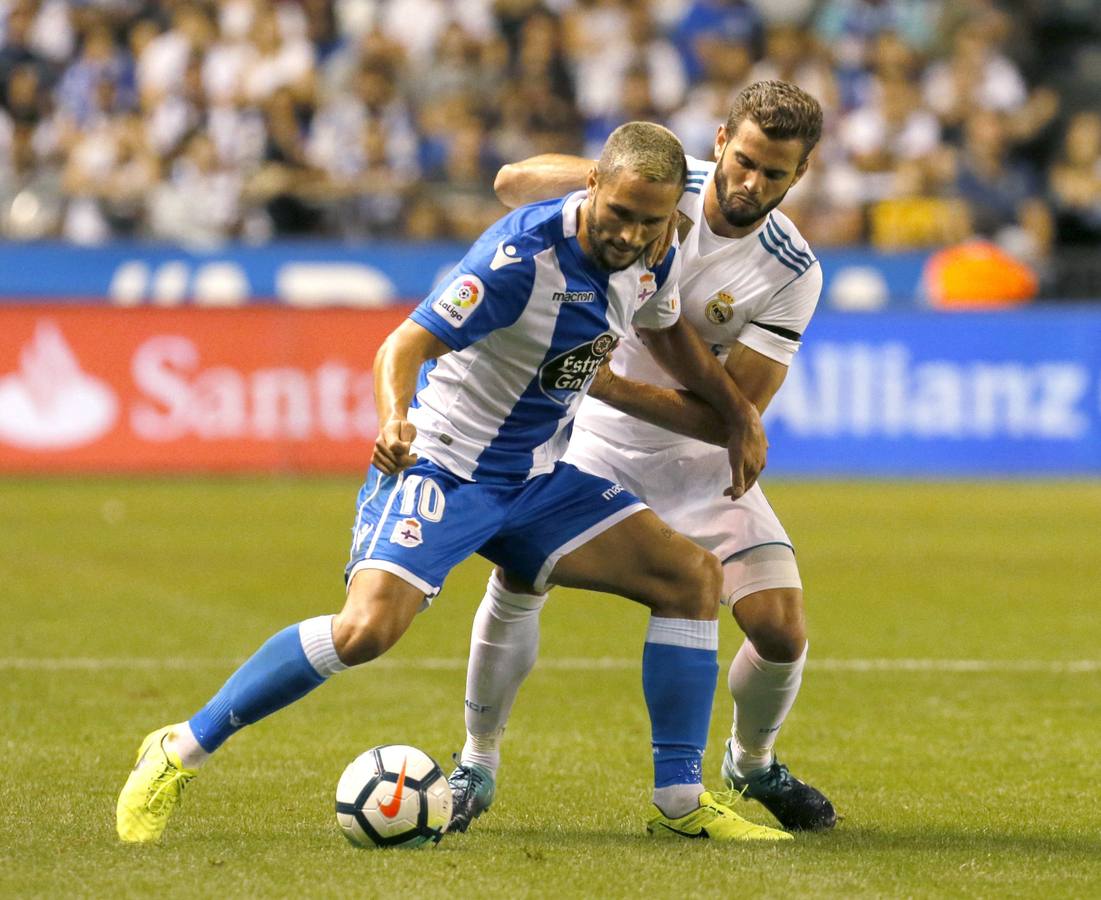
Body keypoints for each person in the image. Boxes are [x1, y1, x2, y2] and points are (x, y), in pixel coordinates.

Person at [114, 121, 790, 844]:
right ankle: (180, 747)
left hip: (535, 477)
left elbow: (664, 329)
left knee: (690, 577)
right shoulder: (519, 260)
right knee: (365, 631)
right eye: (620, 214)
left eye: (649, 221)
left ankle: (681, 803)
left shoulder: (657, 250)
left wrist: (734, 412)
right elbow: (403, 343)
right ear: (592, 182)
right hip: (446, 464)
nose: (630, 235)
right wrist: (393, 419)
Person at [450, 81, 837, 834]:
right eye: (744, 160)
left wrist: (602, 379)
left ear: (801, 174)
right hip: (589, 437)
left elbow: (727, 417)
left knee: (780, 629)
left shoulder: (792, 270)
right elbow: (510, 183)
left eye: (774, 173)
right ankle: (476, 761)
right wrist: (604, 180)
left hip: (691, 459)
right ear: (721, 142)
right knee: (520, 575)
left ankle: (751, 763)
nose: (750, 183)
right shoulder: (659, 185)